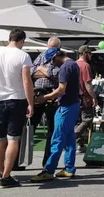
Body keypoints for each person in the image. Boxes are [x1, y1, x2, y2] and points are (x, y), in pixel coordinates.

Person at [0, 29, 34, 189]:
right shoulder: (23, 55)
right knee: (13, 138)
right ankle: (6, 175)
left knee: (0, 139)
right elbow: (26, 81)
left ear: (9, 38)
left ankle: (1, 172)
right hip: (16, 99)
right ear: (22, 40)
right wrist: (30, 102)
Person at [30, 51, 81, 182]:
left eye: (52, 62)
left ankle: (48, 170)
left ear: (56, 57)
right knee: (69, 139)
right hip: (73, 105)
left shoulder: (64, 67)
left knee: (57, 139)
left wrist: (44, 97)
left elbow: (61, 89)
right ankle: (69, 168)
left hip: (66, 107)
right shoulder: (73, 64)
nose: (52, 65)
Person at [30, 37, 62, 167]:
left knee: (51, 129)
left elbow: (57, 74)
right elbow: (31, 71)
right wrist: (47, 72)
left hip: (52, 94)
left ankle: (47, 162)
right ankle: (21, 160)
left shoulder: (60, 56)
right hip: (38, 93)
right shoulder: (42, 55)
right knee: (31, 126)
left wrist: (42, 70)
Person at [75, 45, 97, 153]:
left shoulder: (74, 64)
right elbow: (88, 84)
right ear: (84, 53)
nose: (91, 56)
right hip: (84, 98)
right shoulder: (85, 66)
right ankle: (73, 136)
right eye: (90, 53)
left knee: (78, 121)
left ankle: (80, 144)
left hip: (74, 97)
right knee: (87, 120)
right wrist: (94, 97)